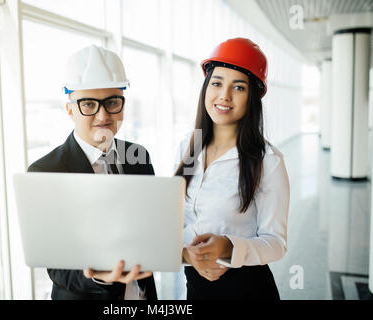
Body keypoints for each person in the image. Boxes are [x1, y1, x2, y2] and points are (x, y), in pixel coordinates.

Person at [28, 45, 157, 300]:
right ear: (70, 110)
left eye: (111, 102)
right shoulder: (46, 171)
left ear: (122, 104)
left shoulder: (139, 156)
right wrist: (99, 275)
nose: (103, 115)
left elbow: (151, 230)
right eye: (89, 104)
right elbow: (56, 267)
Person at [174, 38, 290, 299]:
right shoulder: (187, 148)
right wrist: (185, 254)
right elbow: (176, 222)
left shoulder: (268, 161)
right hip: (195, 285)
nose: (224, 95)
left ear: (252, 97)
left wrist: (228, 247)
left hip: (246, 289)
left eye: (238, 87)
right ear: (206, 88)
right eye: (217, 83)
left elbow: (277, 243)